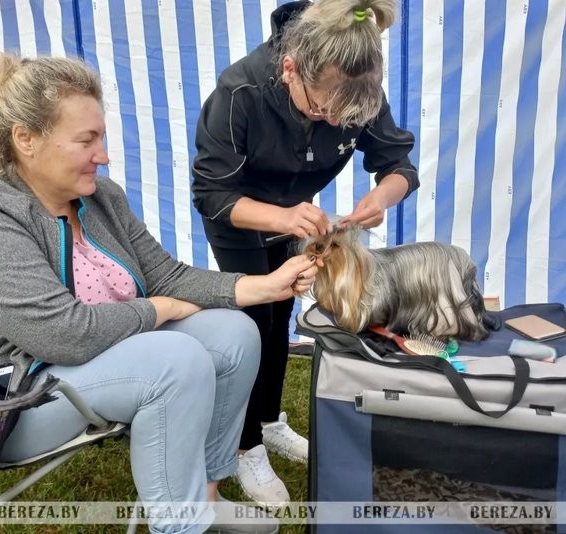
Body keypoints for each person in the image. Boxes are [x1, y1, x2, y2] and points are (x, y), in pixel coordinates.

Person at [0, 53, 321, 534]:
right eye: (86, 140)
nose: (103, 154)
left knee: (234, 333)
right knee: (174, 361)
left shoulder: (99, 196)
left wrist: (264, 286)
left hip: (81, 364)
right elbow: (62, 335)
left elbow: (165, 275)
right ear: (26, 138)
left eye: (101, 137)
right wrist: (158, 310)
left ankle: (205, 499)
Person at [192, 0, 419, 505]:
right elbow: (211, 193)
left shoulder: (357, 86)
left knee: (283, 314)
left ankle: (270, 422)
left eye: (345, 117)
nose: (332, 121)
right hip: (240, 222)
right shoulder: (240, 93)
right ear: (290, 69)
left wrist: (381, 197)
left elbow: (400, 165)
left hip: (295, 220)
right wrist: (281, 217)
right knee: (252, 328)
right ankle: (245, 445)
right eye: (321, 110)